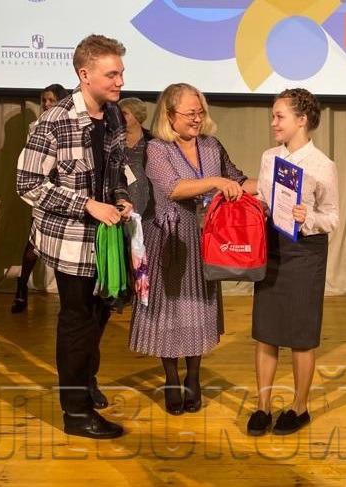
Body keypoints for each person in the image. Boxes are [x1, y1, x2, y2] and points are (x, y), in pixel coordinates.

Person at [17, 34, 133, 439]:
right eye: (111, 74)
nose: (120, 81)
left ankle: (85, 383)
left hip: (106, 237)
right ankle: (75, 414)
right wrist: (87, 205)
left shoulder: (114, 115)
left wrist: (120, 197)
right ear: (85, 75)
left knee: (100, 315)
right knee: (77, 321)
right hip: (71, 240)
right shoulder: (54, 121)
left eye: (121, 72)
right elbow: (28, 184)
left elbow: (117, 168)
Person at [128, 83, 256, 415]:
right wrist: (215, 183)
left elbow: (239, 180)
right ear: (169, 115)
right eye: (190, 113)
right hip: (169, 240)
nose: (197, 119)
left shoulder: (212, 146)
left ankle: (194, 376)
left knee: (199, 308)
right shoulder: (156, 149)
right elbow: (172, 188)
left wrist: (275, 184)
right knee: (169, 311)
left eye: (200, 112)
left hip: (205, 240)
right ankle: (171, 377)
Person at [247, 88, 339, 436]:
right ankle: (262, 407)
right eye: (272, 115)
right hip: (272, 247)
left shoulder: (322, 165)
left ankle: (300, 408)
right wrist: (258, 207)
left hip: (305, 252)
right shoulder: (269, 157)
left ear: (302, 120)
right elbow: (265, 198)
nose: (273, 122)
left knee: (301, 335)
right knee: (266, 332)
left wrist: (307, 217)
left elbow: (332, 217)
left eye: (279, 116)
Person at [11, 83, 69, 314]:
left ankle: (68, 297)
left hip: (65, 190)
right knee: (34, 242)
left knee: (65, 244)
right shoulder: (36, 126)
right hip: (44, 189)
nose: (46, 104)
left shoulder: (71, 124)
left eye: (51, 100)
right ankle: (21, 286)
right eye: (44, 100)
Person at [118, 97, 153, 216]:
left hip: (147, 200)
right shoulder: (113, 141)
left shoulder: (153, 141)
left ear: (137, 115)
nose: (119, 117)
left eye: (124, 113)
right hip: (121, 199)